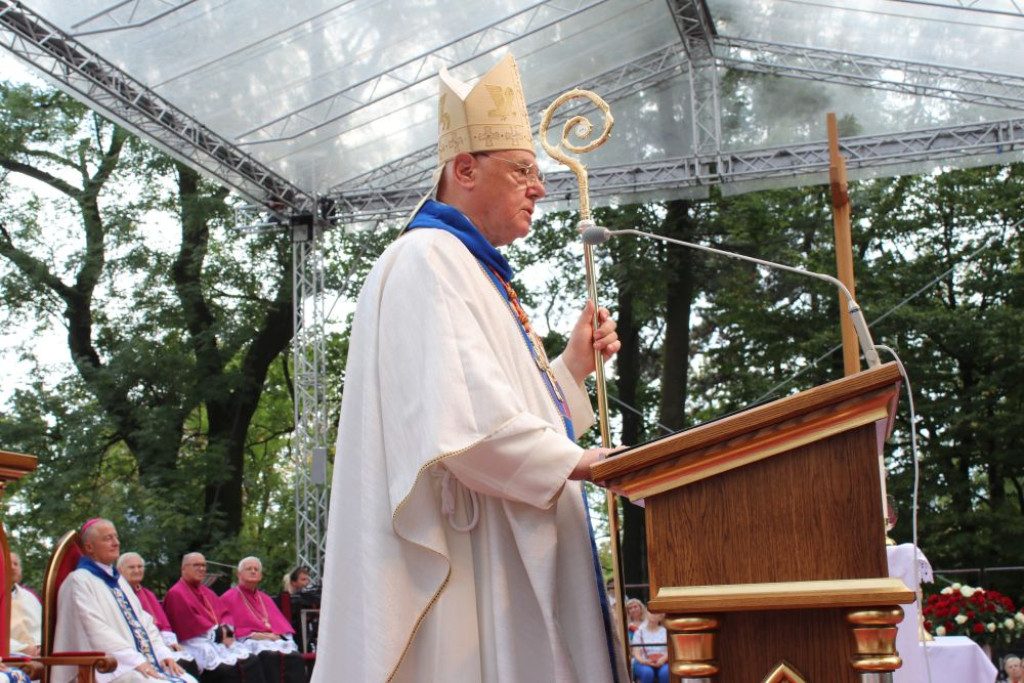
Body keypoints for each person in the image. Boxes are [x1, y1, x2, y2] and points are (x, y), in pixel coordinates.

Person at [311, 53, 627, 683]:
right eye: (522, 171)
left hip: (504, 529)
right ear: (464, 169)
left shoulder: (471, 269)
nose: (540, 188)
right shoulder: (427, 258)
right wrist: (588, 464)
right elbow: (465, 424)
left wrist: (571, 367)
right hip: (474, 551)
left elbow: (504, 408)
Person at [52, 518, 197, 683]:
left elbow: (143, 621)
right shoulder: (79, 581)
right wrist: (135, 661)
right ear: (89, 547)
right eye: (107, 538)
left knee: (189, 680)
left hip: (137, 663)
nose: (116, 543)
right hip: (106, 668)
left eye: (116, 537)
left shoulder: (119, 580)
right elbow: (94, 629)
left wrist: (162, 653)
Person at [162, 553, 264, 683]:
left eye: (203, 565)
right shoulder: (176, 593)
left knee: (251, 660)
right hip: (195, 642)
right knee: (225, 669)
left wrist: (227, 634)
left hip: (218, 640)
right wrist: (219, 634)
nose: (201, 568)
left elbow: (225, 614)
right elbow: (189, 624)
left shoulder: (207, 591)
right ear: (184, 568)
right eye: (196, 565)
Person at [220, 557, 305, 683]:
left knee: (294, 656)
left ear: (261, 576)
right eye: (249, 569)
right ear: (239, 574)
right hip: (248, 642)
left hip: (272, 639)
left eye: (256, 569)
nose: (253, 571)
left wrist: (277, 635)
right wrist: (252, 635)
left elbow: (281, 628)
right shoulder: (227, 598)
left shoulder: (265, 598)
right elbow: (226, 630)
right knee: (269, 656)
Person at [116, 552, 199, 677]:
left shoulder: (148, 594)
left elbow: (164, 624)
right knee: (181, 664)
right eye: (131, 567)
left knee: (190, 661)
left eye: (140, 567)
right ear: (120, 570)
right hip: (138, 646)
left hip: (159, 642)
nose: (137, 570)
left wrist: (170, 641)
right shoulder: (118, 595)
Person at [8, 551, 41, 657]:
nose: (13, 567)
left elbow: (40, 628)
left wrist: (41, 646)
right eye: (8, 563)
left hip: (38, 655)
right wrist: (22, 648)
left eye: (16, 564)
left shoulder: (30, 597)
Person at [631, 610, 669, 683]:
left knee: (665, 672)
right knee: (647, 672)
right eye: (651, 612)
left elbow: (669, 651)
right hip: (643, 662)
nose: (653, 615)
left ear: (661, 617)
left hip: (662, 662)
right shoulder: (639, 632)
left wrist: (662, 660)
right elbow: (636, 653)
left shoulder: (665, 632)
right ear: (646, 613)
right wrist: (644, 661)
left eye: (656, 613)